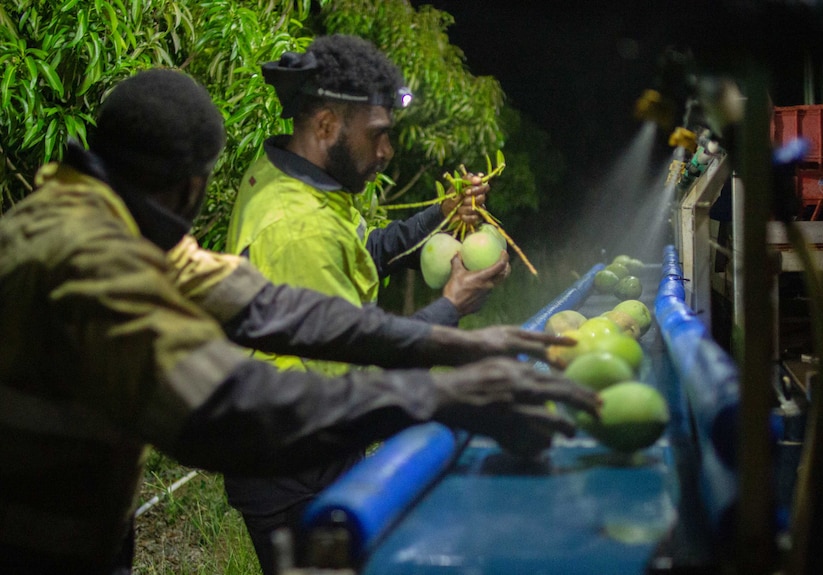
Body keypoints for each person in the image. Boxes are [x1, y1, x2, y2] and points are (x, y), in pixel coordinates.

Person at [0, 68, 598, 574]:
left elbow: (276, 307)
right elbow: (226, 410)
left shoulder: (103, 219)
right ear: (190, 186)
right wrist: (438, 393)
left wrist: (443, 338)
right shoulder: (85, 261)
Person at [223, 34, 511, 573]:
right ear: (328, 125)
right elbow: (357, 370)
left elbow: (364, 253)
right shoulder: (298, 228)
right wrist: (449, 306)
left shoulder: (298, 184)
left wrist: (439, 214)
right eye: (378, 136)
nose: (386, 152)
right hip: (290, 462)